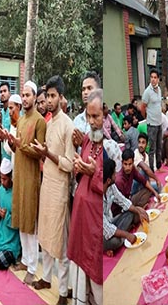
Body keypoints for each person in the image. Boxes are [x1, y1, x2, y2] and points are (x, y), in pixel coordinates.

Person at [30, 76, 75, 304]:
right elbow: (46, 154)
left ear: (61, 97)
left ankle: (64, 292)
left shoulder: (68, 125)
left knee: (61, 242)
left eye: (52, 96)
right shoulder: (48, 123)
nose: (48, 100)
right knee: (45, 235)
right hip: (46, 185)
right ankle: (46, 278)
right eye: (47, 96)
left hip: (59, 190)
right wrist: (40, 152)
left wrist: (48, 154)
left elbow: (69, 163)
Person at [4, 81, 46, 285]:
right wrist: (11, 141)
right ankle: (25, 260)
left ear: (35, 96)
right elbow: (17, 148)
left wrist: (22, 145)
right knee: (21, 219)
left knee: (31, 223)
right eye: (23, 95)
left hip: (31, 178)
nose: (25, 98)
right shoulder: (20, 121)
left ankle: (32, 267)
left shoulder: (39, 122)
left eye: (28, 95)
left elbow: (39, 153)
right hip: (19, 175)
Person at [68, 89, 104, 305]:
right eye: (89, 116)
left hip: (94, 219)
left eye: (96, 116)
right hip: (81, 214)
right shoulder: (89, 139)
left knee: (96, 272)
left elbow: (106, 183)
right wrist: (79, 167)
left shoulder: (108, 145)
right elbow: (82, 168)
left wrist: (93, 172)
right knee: (81, 269)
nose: (91, 122)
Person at [103, 159, 148, 256]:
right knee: (114, 242)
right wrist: (127, 235)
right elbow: (107, 229)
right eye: (114, 173)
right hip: (102, 234)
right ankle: (113, 243)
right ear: (108, 180)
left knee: (131, 213)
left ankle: (121, 237)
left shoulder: (111, 187)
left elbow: (123, 201)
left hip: (111, 223)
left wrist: (138, 211)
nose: (116, 174)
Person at [141, 69, 163, 171]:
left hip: (159, 122)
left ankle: (159, 166)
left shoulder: (159, 89)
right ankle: (151, 170)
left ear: (158, 79)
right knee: (152, 148)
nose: (153, 79)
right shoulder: (147, 92)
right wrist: (146, 118)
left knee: (159, 146)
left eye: (155, 77)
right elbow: (143, 107)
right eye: (152, 77)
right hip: (151, 124)